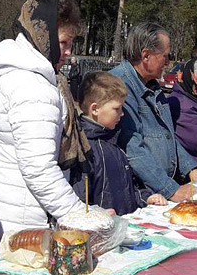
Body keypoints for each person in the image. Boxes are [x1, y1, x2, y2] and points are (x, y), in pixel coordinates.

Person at [0, 0, 87, 250]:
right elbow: (39, 170)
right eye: (64, 43)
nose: (68, 52)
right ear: (44, 40)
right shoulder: (33, 89)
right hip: (22, 227)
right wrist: (80, 217)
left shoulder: (11, 77)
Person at [111, 23, 197, 201]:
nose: (168, 62)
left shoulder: (153, 86)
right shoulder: (119, 86)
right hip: (141, 194)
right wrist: (170, 190)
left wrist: (190, 169)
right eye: (166, 56)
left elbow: (166, 136)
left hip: (159, 188)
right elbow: (133, 148)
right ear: (146, 56)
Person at [70, 71, 166, 214]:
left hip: (124, 224)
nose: (122, 114)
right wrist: (96, 214)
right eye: (117, 109)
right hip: (100, 230)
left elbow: (130, 186)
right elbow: (79, 197)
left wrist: (146, 197)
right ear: (95, 109)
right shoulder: (85, 147)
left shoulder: (114, 139)